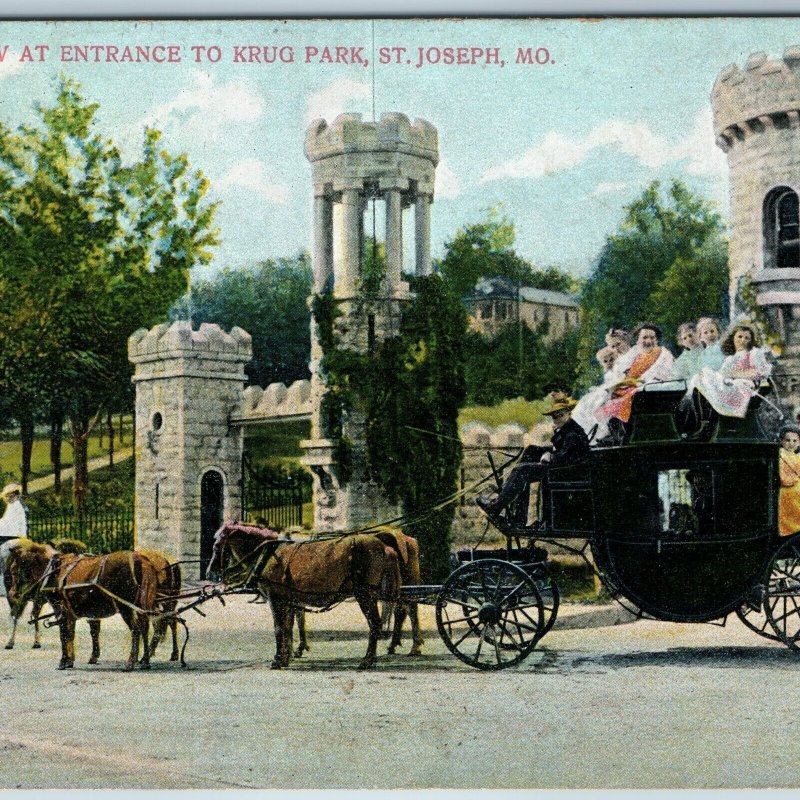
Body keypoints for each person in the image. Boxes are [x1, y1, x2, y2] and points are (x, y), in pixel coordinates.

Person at [476, 392, 590, 524]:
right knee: (531, 451)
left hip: (565, 471)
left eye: (561, 415)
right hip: (564, 468)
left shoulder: (573, 433)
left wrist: (551, 456)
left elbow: (562, 455)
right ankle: (515, 513)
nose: (557, 419)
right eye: (554, 417)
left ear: (569, 413)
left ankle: (497, 507)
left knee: (522, 470)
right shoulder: (567, 428)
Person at [596, 323, 675, 427]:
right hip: (640, 388)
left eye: (652, 337)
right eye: (645, 337)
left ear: (657, 340)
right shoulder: (639, 357)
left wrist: (637, 384)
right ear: (638, 341)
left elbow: (664, 375)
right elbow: (631, 378)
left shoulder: (663, 353)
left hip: (657, 389)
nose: (648, 341)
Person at [688, 323, 772, 418]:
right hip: (731, 385)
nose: (742, 340)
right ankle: (703, 419)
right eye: (739, 337)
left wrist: (733, 375)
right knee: (702, 376)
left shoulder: (754, 353)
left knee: (706, 376)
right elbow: (723, 373)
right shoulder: (731, 357)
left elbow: (760, 373)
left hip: (746, 387)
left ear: (751, 340)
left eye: (746, 338)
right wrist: (725, 376)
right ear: (733, 338)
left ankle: (705, 419)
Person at [572, 346, 620, 438]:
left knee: (597, 402)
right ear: (602, 363)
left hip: (614, 390)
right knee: (586, 403)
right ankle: (585, 430)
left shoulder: (618, 370)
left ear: (616, 358)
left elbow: (618, 381)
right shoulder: (608, 373)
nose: (609, 363)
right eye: (605, 361)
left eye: (611, 360)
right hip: (607, 390)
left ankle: (599, 431)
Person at [0, 483, 27, 598]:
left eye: (9, 496)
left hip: (13, 538)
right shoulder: (13, 506)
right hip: (13, 537)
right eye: (6, 496)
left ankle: (2, 588)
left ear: (14, 495)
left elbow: (7, 526)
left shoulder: (15, 506)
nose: (7, 498)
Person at [778, 425, 800, 536]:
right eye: (787, 440)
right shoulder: (780, 456)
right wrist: (796, 478)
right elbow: (784, 479)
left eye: (794, 440)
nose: (791, 443)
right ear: (781, 441)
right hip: (788, 494)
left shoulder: (796, 456)